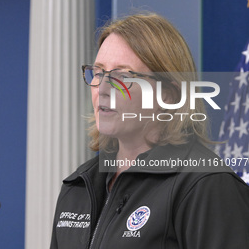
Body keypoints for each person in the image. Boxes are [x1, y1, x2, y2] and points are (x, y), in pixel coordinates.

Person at [50, 13, 249, 249]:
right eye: (98, 72)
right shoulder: (79, 184)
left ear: (168, 95)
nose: (102, 88)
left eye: (122, 76)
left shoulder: (206, 185)